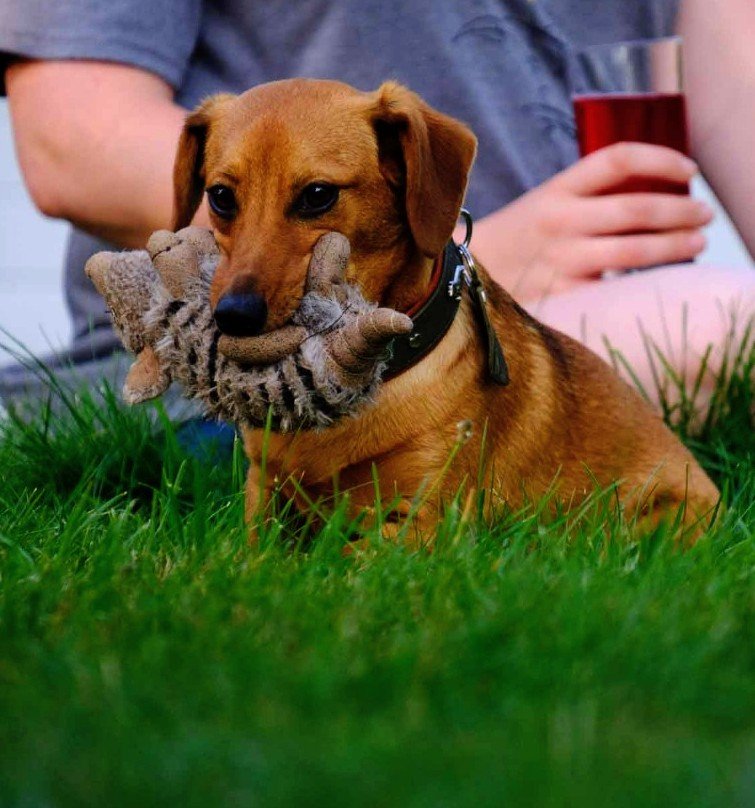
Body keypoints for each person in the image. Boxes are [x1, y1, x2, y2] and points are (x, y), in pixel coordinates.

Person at [0, 0, 753, 419]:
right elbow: (72, 140)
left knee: (727, 327)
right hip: (266, 356)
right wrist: (457, 263)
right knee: (722, 329)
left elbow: (736, 96)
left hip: (583, 310)